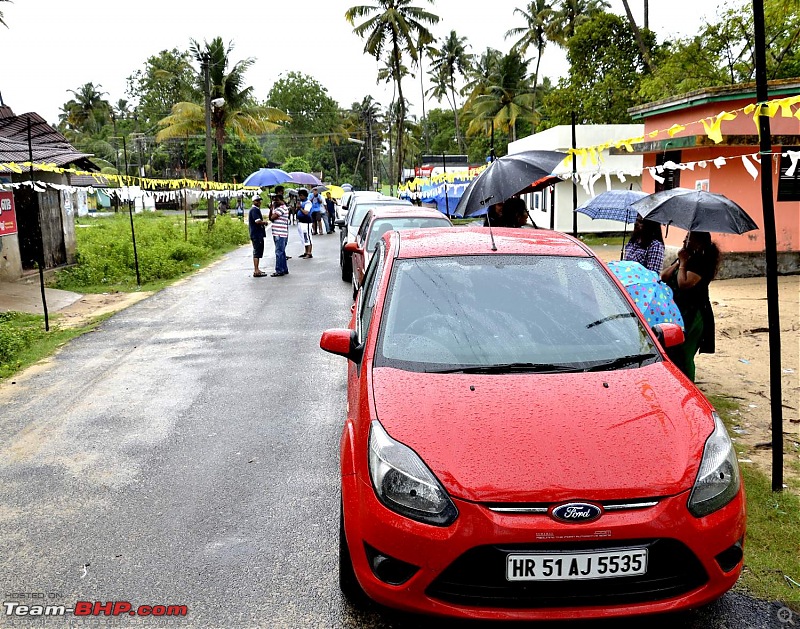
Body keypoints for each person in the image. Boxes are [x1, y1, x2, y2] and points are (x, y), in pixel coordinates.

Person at [661, 231, 721, 382]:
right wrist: (679, 262)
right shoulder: (685, 258)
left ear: (698, 242)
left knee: (685, 353)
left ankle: (689, 386)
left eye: (688, 238)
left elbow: (684, 284)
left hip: (695, 314)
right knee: (674, 351)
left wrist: (683, 264)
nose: (684, 240)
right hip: (678, 312)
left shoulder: (702, 262)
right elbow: (664, 276)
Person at [269, 194, 290, 277]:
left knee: (279, 252)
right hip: (279, 232)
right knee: (282, 252)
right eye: (274, 200)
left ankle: (279, 270)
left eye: (277, 200)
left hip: (279, 233)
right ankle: (284, 268)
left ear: (281, 200)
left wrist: (271, 209)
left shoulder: (281, 208)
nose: (275, 202)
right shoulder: (279, 208)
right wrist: (272, 209)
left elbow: (272, 218)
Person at [248, 195, 268, 277]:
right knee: (257, 251)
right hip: (256, 233)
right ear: (253, 202)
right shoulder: (254, 210)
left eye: (259, 200)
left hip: (257, 233)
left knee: (258, 251)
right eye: (257, 201)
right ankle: (256, 270)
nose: (259, 202)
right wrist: (264, 222)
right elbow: (257, 221)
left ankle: (257, 269)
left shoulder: (256, 210)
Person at [295, 188, 314, 259]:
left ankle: (309, 252)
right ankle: (306, 251)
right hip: (301, 221)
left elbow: (306, 212)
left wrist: (300, 208)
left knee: (307, 236)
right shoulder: (301, 202)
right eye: (299, 195)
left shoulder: (308, 203)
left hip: (307, 222)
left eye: (301, 195)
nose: (300, 197)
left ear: (305, 196)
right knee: (303, 237)